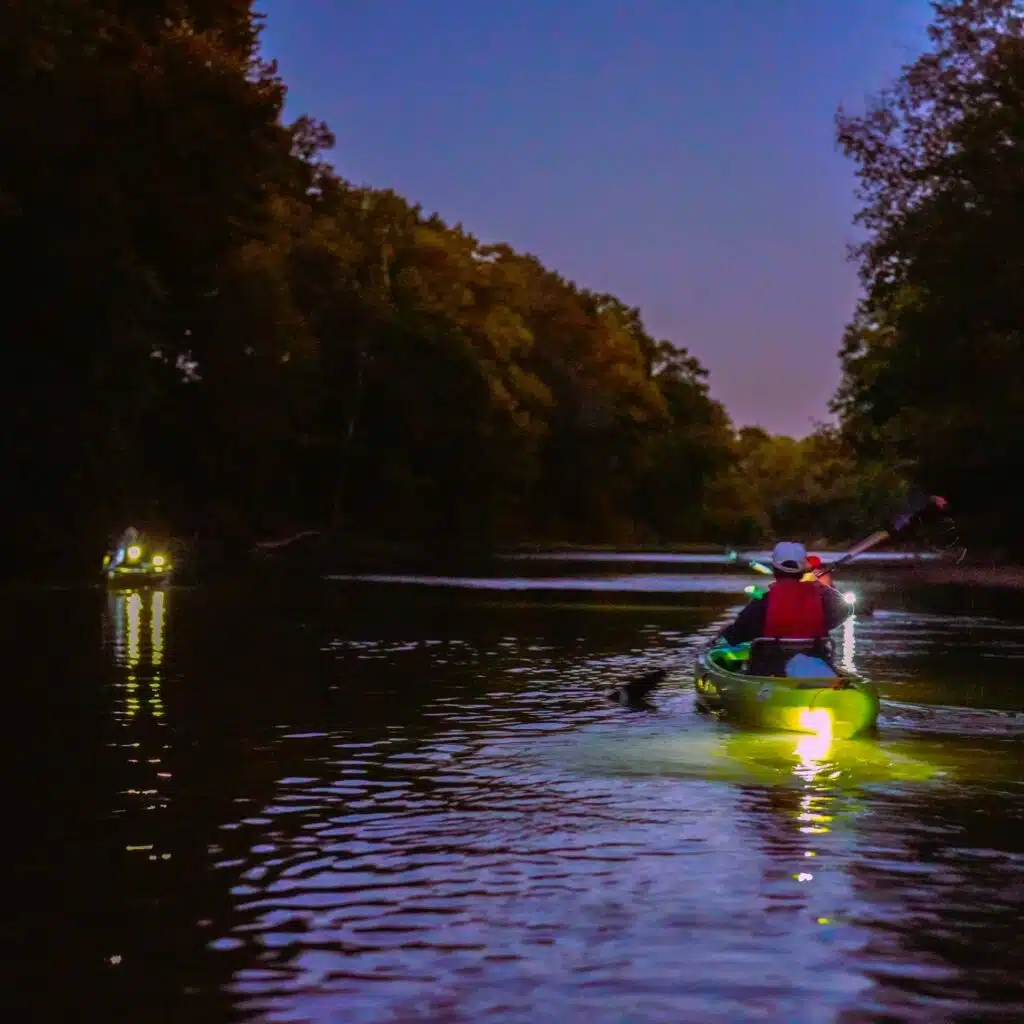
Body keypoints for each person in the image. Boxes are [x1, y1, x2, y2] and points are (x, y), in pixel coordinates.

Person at [717, 541, 852, 675]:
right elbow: (846, 609)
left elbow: (738, 633)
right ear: (803, 570)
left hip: (773, 669)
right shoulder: (824, 596)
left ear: (775, 569)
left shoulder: (763, 602)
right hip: (816, 660)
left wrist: (723, 635)